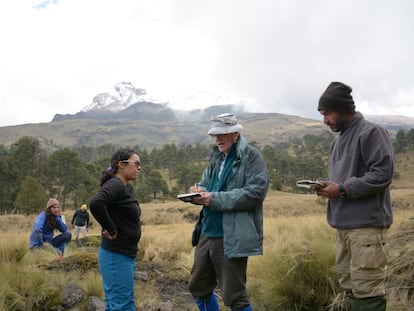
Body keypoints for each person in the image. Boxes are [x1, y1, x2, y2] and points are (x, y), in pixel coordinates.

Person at [316, 82, 394, 311]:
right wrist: (328, 187)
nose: (325, 121)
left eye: (327, 114)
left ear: (342, 109)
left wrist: (340, 189)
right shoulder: (338, 139)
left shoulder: (371, 132)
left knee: (368, 292)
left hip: (367, 229)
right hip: (344, 229)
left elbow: (382, 175)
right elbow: (345, 180)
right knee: (350, 288)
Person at [188, 113, 269, 311]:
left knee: (235, 296)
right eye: (215, 135)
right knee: (198, 287)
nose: (217, 139)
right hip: (207, 232)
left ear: (235, 133)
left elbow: (255, 193)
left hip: (231, 236)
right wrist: (197, 190)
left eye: (222, 134)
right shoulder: (216, 157)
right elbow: (207, 184)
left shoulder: (251, 156)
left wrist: (213, 198)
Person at [89, 148, 142, 311]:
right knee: (122, 306)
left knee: (118, 304)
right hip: (116, 255)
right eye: (136, 163)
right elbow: (96, 203)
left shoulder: (124, 186)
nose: (139, 168)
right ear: (121, 164)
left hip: (124, 255)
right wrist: (111, 229)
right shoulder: (115, 184)